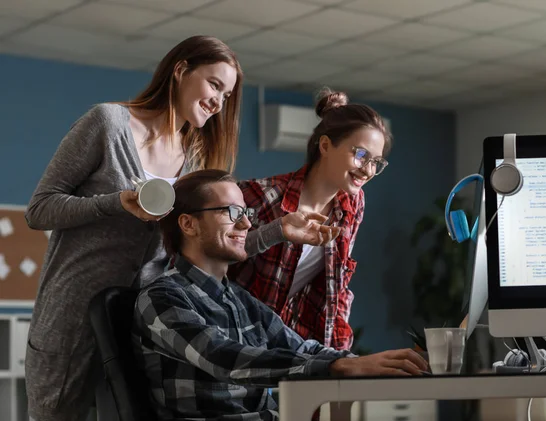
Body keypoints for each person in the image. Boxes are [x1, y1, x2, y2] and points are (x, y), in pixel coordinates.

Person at [23, 35, 248, 421]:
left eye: (226, 95)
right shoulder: (108, 123)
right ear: (180, 71)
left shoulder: (194, 163)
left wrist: (281, 232)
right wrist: (117, 202)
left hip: (139, 329)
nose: (218, 102)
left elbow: (213, 240)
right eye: (214, 84)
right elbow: (39, 210)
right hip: (70, 319)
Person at [132, 170, 429, 421]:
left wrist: (370, 364)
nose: (247, 224)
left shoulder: (238, 299)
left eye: (246, 213)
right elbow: (226, 360)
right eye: (233, 213)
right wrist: (340, 367)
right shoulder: (162, 297)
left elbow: (302, 349)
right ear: (188, 224)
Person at [229, 88, 392, 350]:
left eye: (376, 161)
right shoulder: (259, 195)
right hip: (235, 338)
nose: (368, 170)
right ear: (325, 145)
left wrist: (340, 359)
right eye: (361, 155)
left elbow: (337, 289)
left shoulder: (353, 204)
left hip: (288, 343)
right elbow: (214, 257)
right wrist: (275, 231)